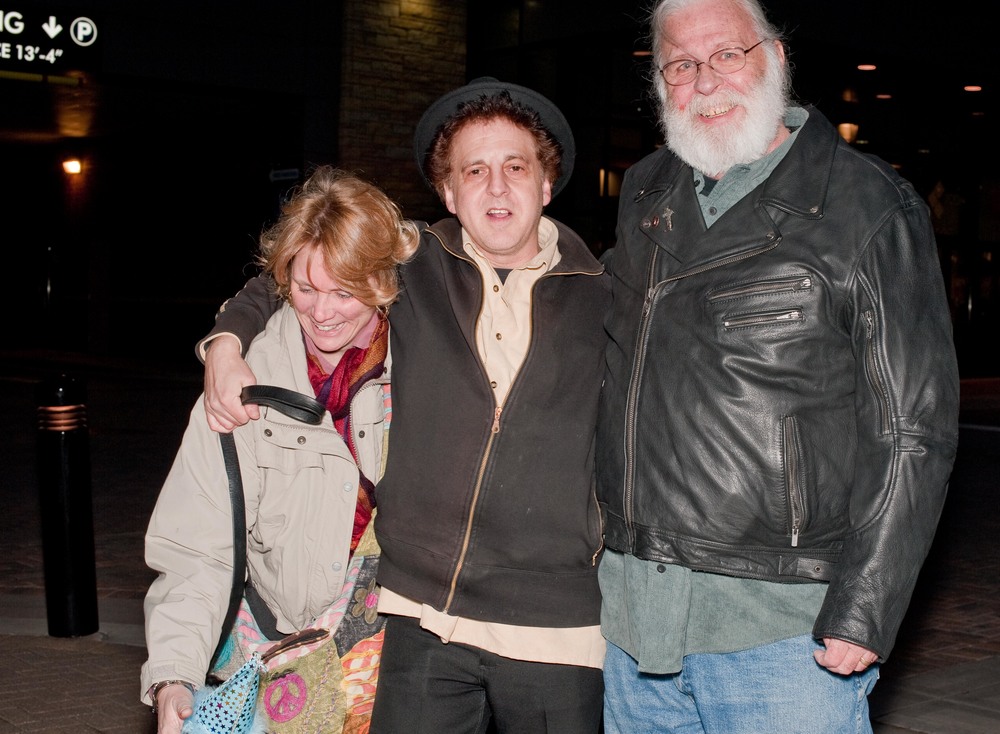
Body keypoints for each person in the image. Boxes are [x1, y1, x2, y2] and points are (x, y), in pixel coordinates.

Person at [195, 78, 610, 733]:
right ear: (449, 192)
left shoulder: (606, 297)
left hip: (556, 625)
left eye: (515, 167)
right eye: (475, 170)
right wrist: (225, 339)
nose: (496, 187)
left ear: (545, 184)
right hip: (419, 615)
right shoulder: (412, 264)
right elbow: (296, 272)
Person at [595, 0, 961, 732]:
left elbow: (912, 430)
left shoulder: (867, 204)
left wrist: (866, 607)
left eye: (726, 54)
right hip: (635, 626)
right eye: (680, 63)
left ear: (777, 59)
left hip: (781, 629)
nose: (704, 79)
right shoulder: (644, 195)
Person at [140, 166, 420, 734]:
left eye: (345, 291)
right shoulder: (244, 379)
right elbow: (199, 544)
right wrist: (175, 673)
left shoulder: (426, 365)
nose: (321, 312)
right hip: (277, 650)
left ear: (381, 282)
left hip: (401, 664)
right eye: (305, 287)